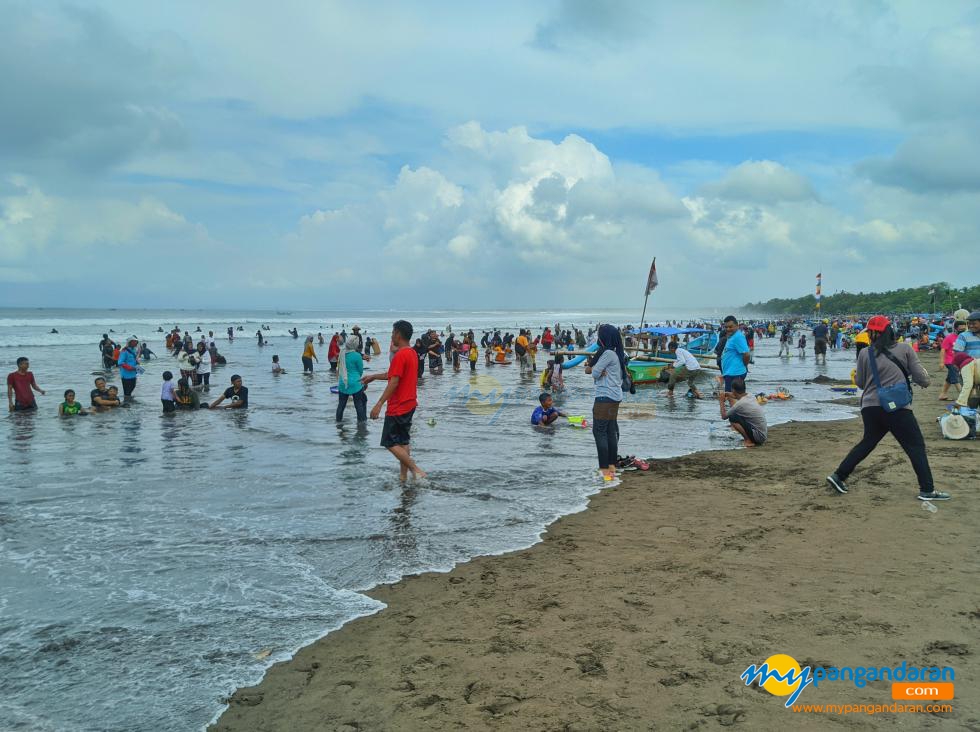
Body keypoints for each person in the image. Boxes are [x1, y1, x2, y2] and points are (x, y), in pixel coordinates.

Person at [826, 316, 949, 502]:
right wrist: (921, 378)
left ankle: (839, 476)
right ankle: (927, 490)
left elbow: (859, 383)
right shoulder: (905, 348)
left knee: (868, 442)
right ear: (890, 331)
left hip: (870, 407)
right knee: (915, 446)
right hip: (897, 408)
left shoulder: (864, 353)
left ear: (870, 334)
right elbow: (922, 379)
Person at [361, 320, 426, 481]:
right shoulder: (411, 353)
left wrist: (379, 404)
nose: (391, 336)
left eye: (392, 333)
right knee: (403, 442)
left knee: (389, 442)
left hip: (399, 406)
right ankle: (403, 477)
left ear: (398, 334)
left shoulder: (400, 355)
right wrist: (373, 377)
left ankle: (415, 469)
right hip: (410, 404)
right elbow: (392, 375)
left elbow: (394, 382)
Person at [584, 324, 625, 481]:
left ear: (603, 337)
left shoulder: (607, 353)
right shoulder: (617, 354)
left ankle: (605, 473)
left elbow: (593, 373)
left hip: (604, 397)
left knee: (599, 432)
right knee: (609, 432)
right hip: (615, 397)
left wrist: (598, 371)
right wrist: (600, 371)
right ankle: (612, 469)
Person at [717, 377, 767, 447]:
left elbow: (724, 416)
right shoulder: (750, 395)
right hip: (762, 435)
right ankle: (749, 438)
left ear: (733, 390)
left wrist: (721, 401)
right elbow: (737, 396)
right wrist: (726, 394)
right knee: (737, 415)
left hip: (758, 437)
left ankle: (748, 441)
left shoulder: (740, 404)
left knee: (732, 416)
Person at [337, 334, 368, 422]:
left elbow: (339, 367)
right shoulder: (357, 355)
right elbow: (360, 370)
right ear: (355, 344)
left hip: (343, 382)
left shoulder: (342, 353)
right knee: (358, 404)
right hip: (355, 383)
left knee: (341, 405)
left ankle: (338, 423)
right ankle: (361, 424)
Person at [720, 316, 750, 393]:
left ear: (737, 325)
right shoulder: (732, 336)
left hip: (735, 373)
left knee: (732, 398)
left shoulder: (738, 337)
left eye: (730, 327)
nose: (728, 329)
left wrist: (744, 365)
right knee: (732, 398)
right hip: (730, 373)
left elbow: (746, 354)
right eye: (726, 327)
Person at [939, 320, 967, 401]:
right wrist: (941, 362)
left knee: (950, 378)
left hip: (960, 361)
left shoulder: (964, 337)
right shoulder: (949, 338)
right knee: (956, 378)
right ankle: (963, 396)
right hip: (950, 361)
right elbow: (943, 350)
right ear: (955, 328)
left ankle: (943, 394)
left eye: (964, 328)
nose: (962, 330)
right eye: (960, 328)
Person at [117, 336, 141, 401]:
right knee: (127, 390)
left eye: (136, 342)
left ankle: (128, 400)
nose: (136, 343)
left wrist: (137, 363)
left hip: (133, 373)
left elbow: (134, 359)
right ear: (130, 342)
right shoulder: (124, 351)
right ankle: (127, 403)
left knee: (133, 386)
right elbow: (120, 362)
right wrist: (130, 368)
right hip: (126, 375)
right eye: (134, 342)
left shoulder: (134, 350)